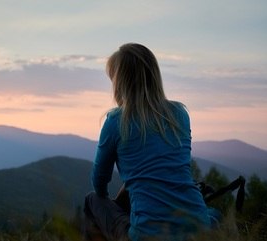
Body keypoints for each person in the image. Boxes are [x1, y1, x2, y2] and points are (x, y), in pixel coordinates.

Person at [84, 43, 212, 241]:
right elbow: (165, 168)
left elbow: (99, 182)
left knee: (92, 200)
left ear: (120, 82)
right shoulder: (179, 115)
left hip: (146, 236)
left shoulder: (117, 122)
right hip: (200, 228)